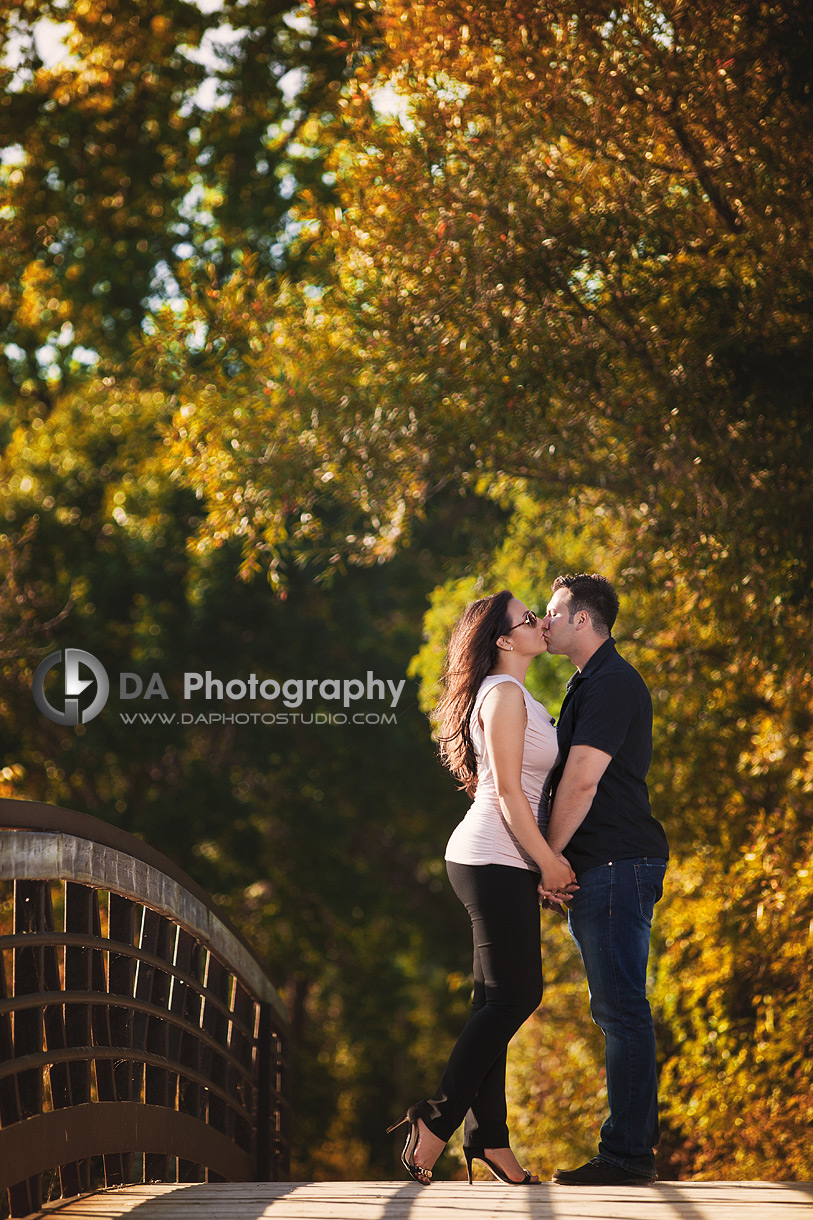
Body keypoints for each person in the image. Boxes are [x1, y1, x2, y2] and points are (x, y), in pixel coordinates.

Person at [388, 590, 577, 1186]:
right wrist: (547, 861)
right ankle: (435, 1122)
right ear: (502, 639)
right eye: (529, 619)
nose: (541, 624)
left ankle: (491, 1141)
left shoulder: (518, 696)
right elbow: (506, 794)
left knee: (493, 1002)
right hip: (492, 857)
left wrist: (539, 860)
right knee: (516, 997)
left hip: (505, 858)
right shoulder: (501, 696)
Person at [539, 573, 669, 1186]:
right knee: (617, 1009)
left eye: (553, 612)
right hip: (605, 867)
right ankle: (629, 1150)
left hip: (617, 863)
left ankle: (626, 1155)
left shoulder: (612, 683)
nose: (545, 623)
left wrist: (550, 858)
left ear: (583, 620)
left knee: (622, 1011)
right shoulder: (588, 682)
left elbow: (583, 780)